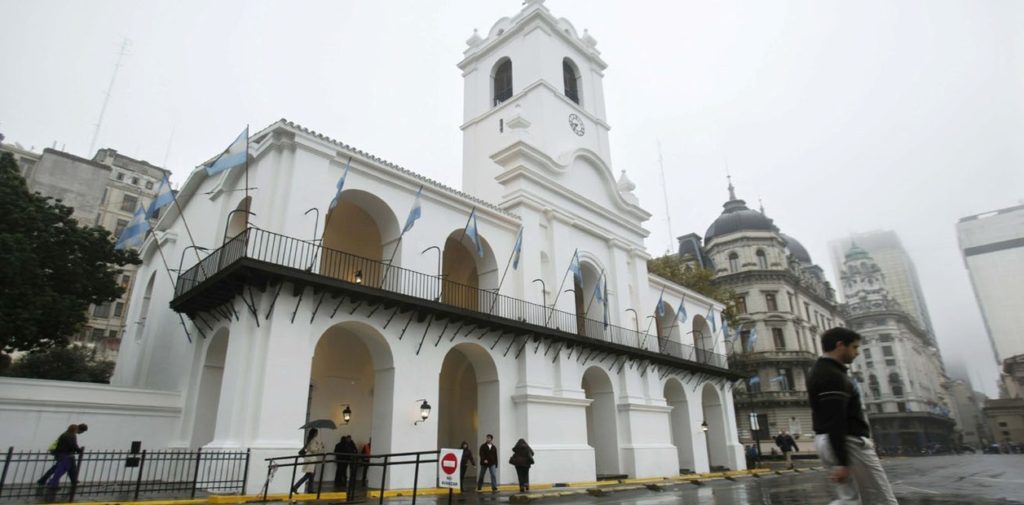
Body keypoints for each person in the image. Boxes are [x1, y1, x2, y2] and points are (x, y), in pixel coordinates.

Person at [808, 327, 897, 505]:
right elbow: (835, 417)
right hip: (848, 442)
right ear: (840, 345)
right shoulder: (831, 375)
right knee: (882, 500)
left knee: (851, 499)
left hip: (835, 440)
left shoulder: (825, 371)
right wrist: (841, 461)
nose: (857, 353)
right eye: (854, 347)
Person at [45, 424, 83, 491]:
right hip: (65, 455)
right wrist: (79, 450)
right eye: (77, 429)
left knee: (60, 469)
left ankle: (53, 482)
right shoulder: (71, 435)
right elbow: (73, 445)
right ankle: (52, 484)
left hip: (60, 454)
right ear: (75, 429)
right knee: (61, 470)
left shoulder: (65, 434)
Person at [292, 428, 325, 494]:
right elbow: (313, 450)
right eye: (316, 432)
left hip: (310, 459)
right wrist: (320, 447)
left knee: (312, 475)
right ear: (315, 433)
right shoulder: (313, 440)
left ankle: (310, 489)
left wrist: (319, 444)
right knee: (308, 474)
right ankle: (296, 487)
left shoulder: (310, 440)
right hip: (311, 459)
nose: (317, 433)